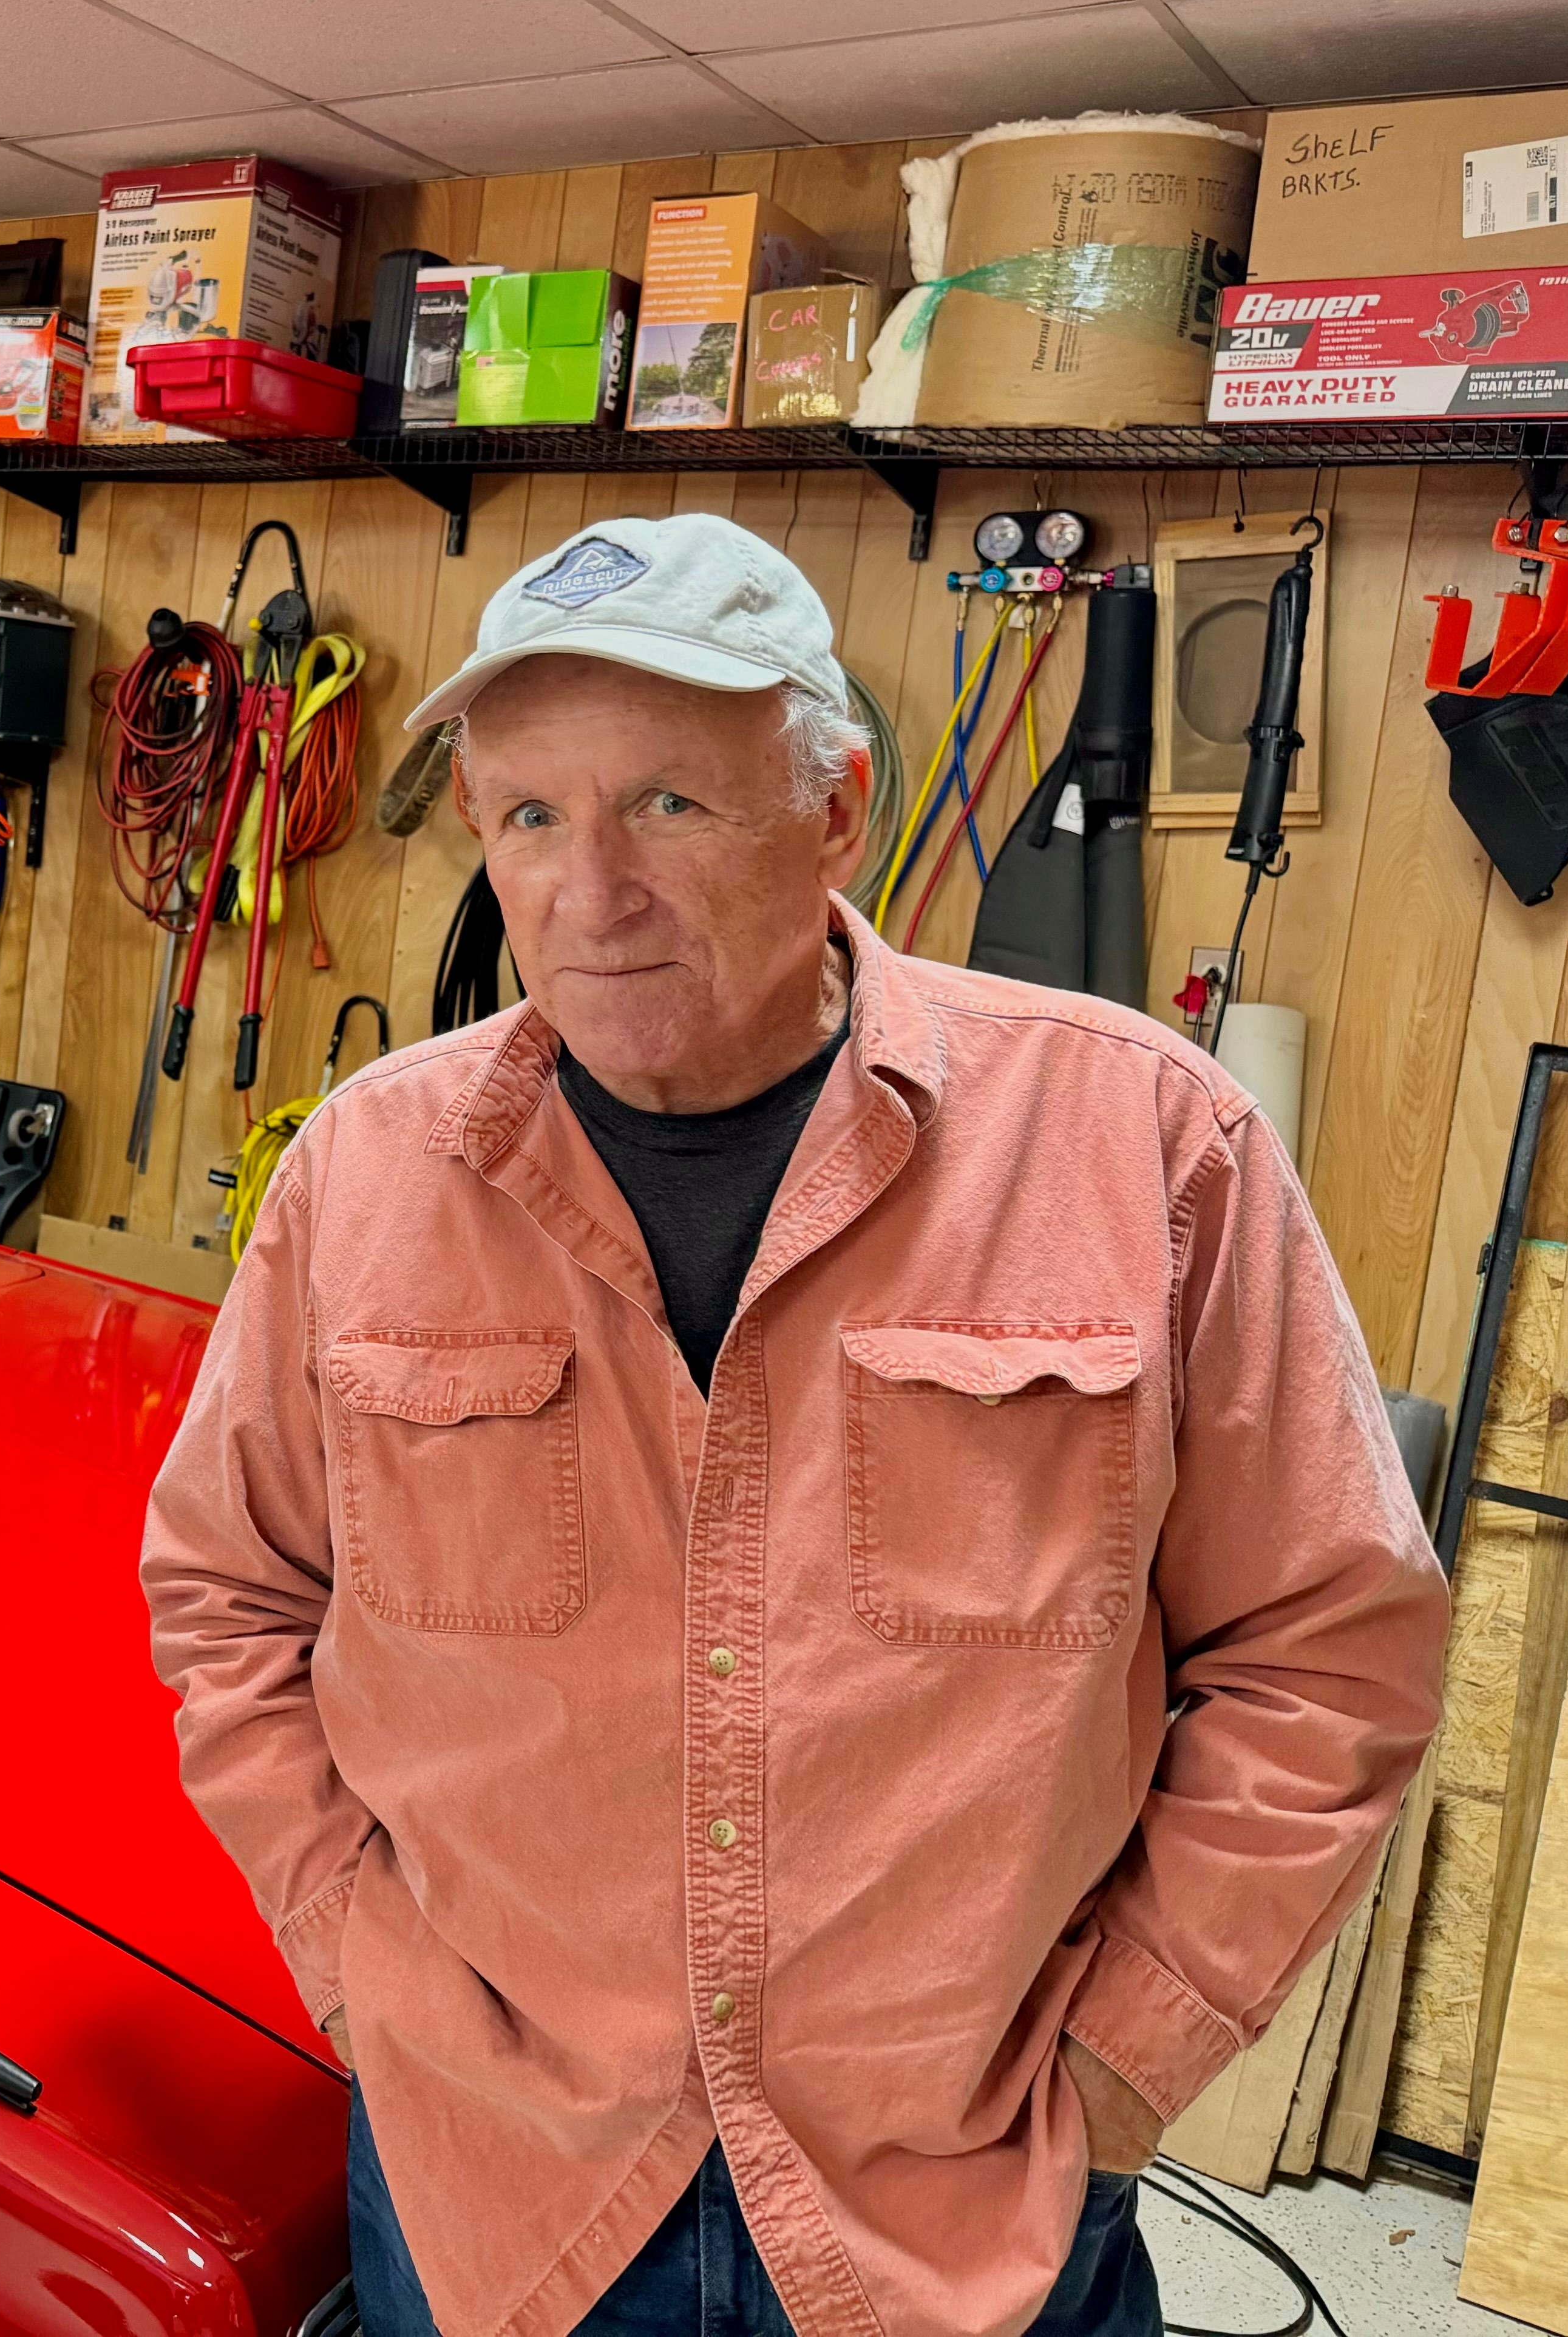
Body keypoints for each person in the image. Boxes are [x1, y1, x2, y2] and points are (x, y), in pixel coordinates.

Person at [142, 515, 1448, 2337]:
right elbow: (228, 1601)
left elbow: (1328, 1649)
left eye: (668, 803)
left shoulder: (1146, 1147)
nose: (590, 891)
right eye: (531, 817)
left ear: (836, 812)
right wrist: (363, 1974)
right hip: (500, 2176)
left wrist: (1126, 2063)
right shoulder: (361, 1176)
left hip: (960, 2204)